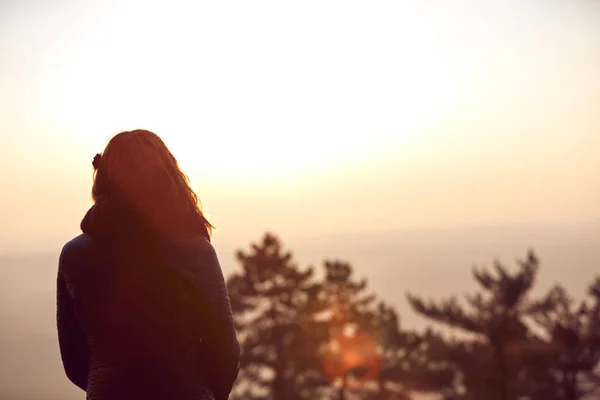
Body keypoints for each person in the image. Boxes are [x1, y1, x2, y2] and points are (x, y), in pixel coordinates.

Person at [56, 130, 240, 400]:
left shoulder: (74, 254)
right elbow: (224, 353)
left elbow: (73, 360)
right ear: (166, 177)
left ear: (104, 179)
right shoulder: (195, 251)